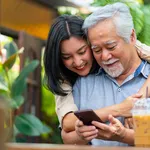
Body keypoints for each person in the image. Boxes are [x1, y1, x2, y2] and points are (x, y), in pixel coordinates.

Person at [44, 14, 150, 144]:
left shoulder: (131, 52)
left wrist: (139, 103)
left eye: (82, 52)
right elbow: (68, 127)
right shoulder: (70, 80)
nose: (77, 62)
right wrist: (121, 109)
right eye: (67, 57)